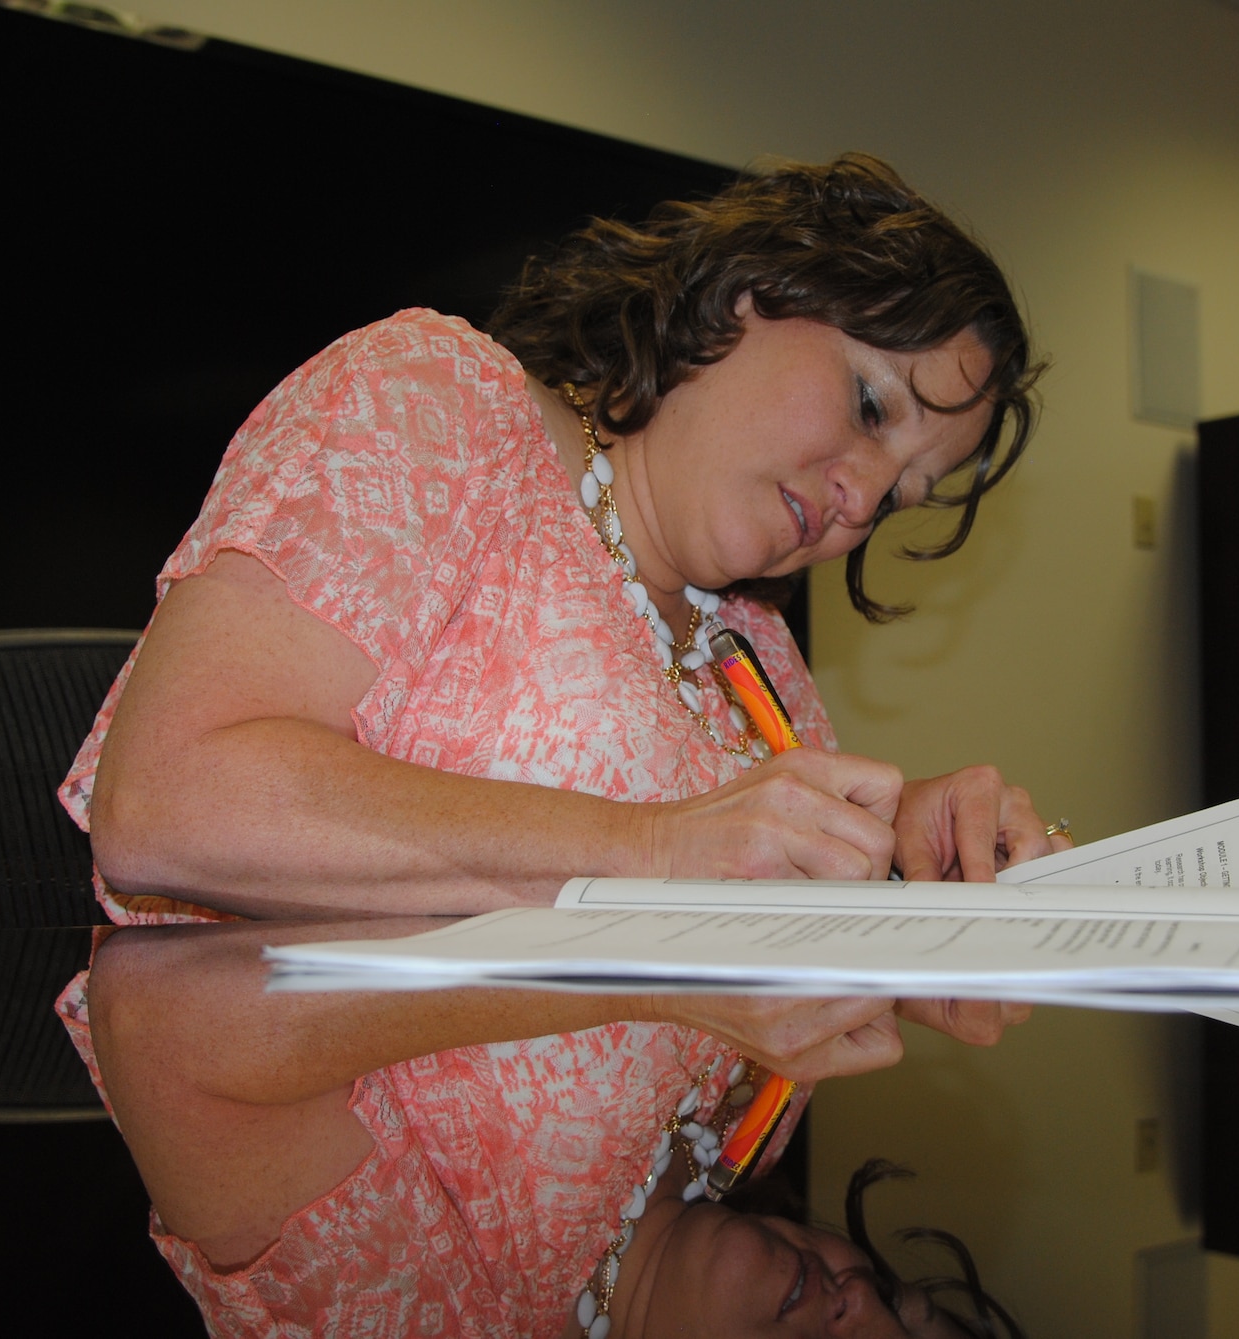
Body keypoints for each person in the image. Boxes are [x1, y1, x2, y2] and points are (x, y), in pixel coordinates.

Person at [55, 153, 1052, 1333]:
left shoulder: (760, 667)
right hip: (216, 1060)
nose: (857, 501)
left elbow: (709, 898)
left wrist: (893, 856)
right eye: (872, 407)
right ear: (749, 294)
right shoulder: (436, 401)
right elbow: (173, 799)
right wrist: (659, 849)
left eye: (897, 496)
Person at [76, 916, 1026, 1338]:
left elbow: (159, 1024)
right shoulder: (764, 1105)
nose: (856, 1309)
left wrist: (646, 969)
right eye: (903, 1307)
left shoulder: (435, 1316)